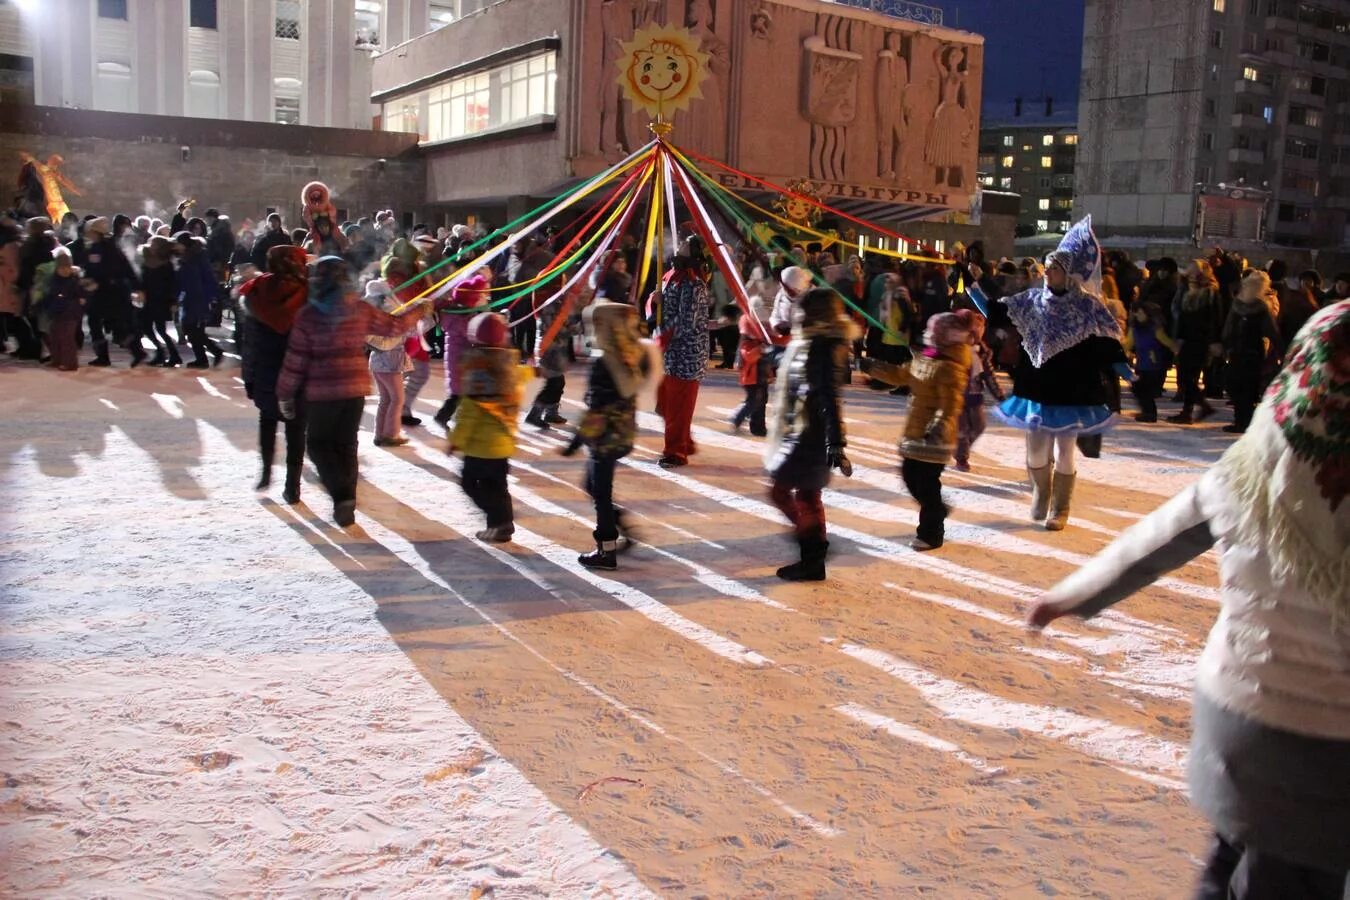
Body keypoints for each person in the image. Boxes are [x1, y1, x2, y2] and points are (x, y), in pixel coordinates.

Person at [1027, 300, 1350, 900]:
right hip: (1327, 755)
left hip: (1236, 718)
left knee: (1232, 860)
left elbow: (1156, 538)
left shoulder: (1248, 467)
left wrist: (1070, 595)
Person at [993, 221, 1131, 532]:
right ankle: (1041, 491)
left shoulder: (1086, 305)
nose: (1047, 273)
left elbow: (1105, 341)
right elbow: (998, 311)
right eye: (1048, 267)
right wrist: (973, 286)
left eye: (1054, 268)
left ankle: (1061, 507)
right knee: (1037, 450)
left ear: (1067, 275)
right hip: (1036, 386)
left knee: (1065, 449)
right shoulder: (1032, 300)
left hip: (1072, 388)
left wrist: (1122, 366)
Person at [275, 256, 427, 527]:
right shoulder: (358, 309)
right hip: (355, 388)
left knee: (319, 445)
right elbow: (393, 326)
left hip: (322, 391)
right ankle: (348, 501)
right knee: (347, 446)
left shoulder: (309, 315)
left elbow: (295, 359)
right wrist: (418, 310)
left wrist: (285, 394)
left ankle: (341, 496)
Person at [562, 271, 657, 570]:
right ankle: (622, 530)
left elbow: (596, 408)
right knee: (592, 484)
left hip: (605, 436)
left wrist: (576, 441)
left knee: (599, 491)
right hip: (624, 431)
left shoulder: (604, 361)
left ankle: (606, 549)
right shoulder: (632, 354)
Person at [764, 288, 855, 580]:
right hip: (800, 429)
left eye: (804, 310)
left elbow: (829, 395)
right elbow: (802, 379)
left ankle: (813, 549)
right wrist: (776, 356)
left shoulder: (825, 346)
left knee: (788, 493)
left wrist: (836, 441)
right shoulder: (812, 341)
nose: (799, 314)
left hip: (810, 433)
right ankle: (813, 552)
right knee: (805, 495)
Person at [863, 311, 972, 549]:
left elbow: (951, 404)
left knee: (926, 485)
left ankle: (930, 534)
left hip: (934, 438)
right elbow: (900, 375)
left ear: (945, 336)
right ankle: (937, 509)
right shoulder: (926, 358)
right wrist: (872, 366)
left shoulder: (951, 368)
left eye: (932, 332)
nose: (926, 334)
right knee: (909, 477)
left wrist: (938, 427)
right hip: (915, 433)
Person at [238, 245, 309, 503]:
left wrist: (249, 377)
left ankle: (266, 471)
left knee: (267, 421)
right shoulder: (310, 293)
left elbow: (250, 342)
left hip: (267, 370)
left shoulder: (256, 291)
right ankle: (293, 486)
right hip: (300, 373)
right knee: (296, 429)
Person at [451, 311, 528, 543]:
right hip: (503, 443)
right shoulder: (511, 366)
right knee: (498, 486)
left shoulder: (477, 371)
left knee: (470, 483)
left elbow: (469, 412)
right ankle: (502, 525)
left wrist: (457, 440)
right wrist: (538, 369)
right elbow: (525, 374)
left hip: (479, 448)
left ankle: (499, 520)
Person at [655, 235, 711, 469]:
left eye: (686, 244)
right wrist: (656, 301)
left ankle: (676, 452)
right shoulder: (674, 276)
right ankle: (684, 440)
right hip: (671, 353)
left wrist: (661, 333)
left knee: (678, 405)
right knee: (664, 403)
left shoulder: (693, 282)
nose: (680, 245)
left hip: (686, 354)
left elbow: (686, 321)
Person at [75, 216, 144, 367]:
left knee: (110, 324)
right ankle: (117, 354)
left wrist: (137, 288)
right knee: (102, 323)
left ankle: (129, 352)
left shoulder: (109, 249)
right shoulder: (95, 247)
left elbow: (119, 270)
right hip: (103, 292)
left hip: (111, 293)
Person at [730, 264, 787, 436]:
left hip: (760, 371)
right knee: (755, 400)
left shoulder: (780, 289)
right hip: (751, 374)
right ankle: (737, 418)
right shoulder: (749, 333)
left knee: (760, 399)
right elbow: (747, 352)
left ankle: (758, 427)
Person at [1222, 270, 1281, 435]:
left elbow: (1271, 331)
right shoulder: (1238, 304)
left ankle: (1244, 420)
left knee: (1247, 387)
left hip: (1252, 350)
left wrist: (1280, 350)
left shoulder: (1262, 307)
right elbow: (1229, 327)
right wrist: (1225, 344)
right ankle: (1240, 419)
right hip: (1238, 349)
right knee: (1236, 384)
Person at [1168, 259, 1224, 424]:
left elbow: (1216, 318)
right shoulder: (1184, 291)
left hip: (1201, 340)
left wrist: (1215, 341)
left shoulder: (1210, 293)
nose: (1191, 275)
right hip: (1187, 339)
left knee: (1189, 377)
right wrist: (1177, 337)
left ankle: (1199, 407)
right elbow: (1181, 318)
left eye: (1195, 272)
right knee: (1186, 376)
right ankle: (1188, 411)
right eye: (1190, 271)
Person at [433, 271, 491, 427]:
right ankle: (446, 417)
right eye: (478, 297)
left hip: (458, 358)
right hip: (460, 361)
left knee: (459, 392)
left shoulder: (457, 315)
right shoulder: (463, 319)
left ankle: (448, 417)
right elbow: (474, 335)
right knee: (460, 393)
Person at [363, 280, 411, 448]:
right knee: (397, 398)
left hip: (378, 361)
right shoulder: (388, 311)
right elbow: (398, 330)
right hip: (390, 360)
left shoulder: (373, 313)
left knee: (386, 399)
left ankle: (380, 433)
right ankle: (391, 434)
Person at [954, 312, 1004, 471]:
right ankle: (961, 457)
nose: (978, 331)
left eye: (980, 328)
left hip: (975, 396)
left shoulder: (981, 352)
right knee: (961, 429)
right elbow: (934, 356)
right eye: (975, 328)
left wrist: (999, 395)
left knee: (979, 426)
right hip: (956, 396)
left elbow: (989, 376)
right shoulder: (952, 348)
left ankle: (959, 447)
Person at [174, 231, 223, 369]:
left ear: (183, 244)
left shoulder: (195, 258)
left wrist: (210, 297)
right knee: (193, 330)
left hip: (197, 299)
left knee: (193, 329)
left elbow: (206, 278)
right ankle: (207, 356)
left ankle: (207, 356)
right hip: (191, 299)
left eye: (177, 243)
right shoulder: (186, 258)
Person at [1124, 301, 1176, 423]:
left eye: (1142, 313)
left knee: (1145, 390)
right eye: (1137, 312)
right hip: (1141, 364)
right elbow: (1128, 343)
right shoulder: (1135, 329)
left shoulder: (1154, 329)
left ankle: (1150, 413)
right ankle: (1147, 411)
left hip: (1153, 364)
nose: (1138, 315)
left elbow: (1166, 341)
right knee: (1137, 388)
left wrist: (1176, 348)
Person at [38, 246, 86, 371]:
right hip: (56, 312)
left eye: (67, 267)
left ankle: (70, 362)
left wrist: (81, 299)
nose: (65, 270)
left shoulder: (74, 280)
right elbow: (49, 295)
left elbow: (82, 294)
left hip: (70, 313)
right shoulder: (53, 279)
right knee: (55, 336)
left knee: (67, 338)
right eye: (62, 267)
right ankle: (57, 359)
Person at [138, 234, 182, 367]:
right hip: (148, 299)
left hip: (161, 300)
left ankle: (173, 355)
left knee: (160, 329)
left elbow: (172, 284)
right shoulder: (145, 260)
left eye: (154, 244)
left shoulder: (167, 264)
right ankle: (161, 352)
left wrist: (173, 301)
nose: (150, 246)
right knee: (145, 326)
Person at [1278, 270, 1322, 359]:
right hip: (1292, 333)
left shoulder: (1320, 297)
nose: (1306, 282)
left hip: (1308, 336)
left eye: (1309, 280)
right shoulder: (1295, 295)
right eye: (1304, 280)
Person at [769, 265, 813, 336]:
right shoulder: (781, 294)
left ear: (798, 288)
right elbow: (775, 316)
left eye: (789, 288)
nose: (786, 290)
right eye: (784, 286)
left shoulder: (814, 296)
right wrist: (776, 325)